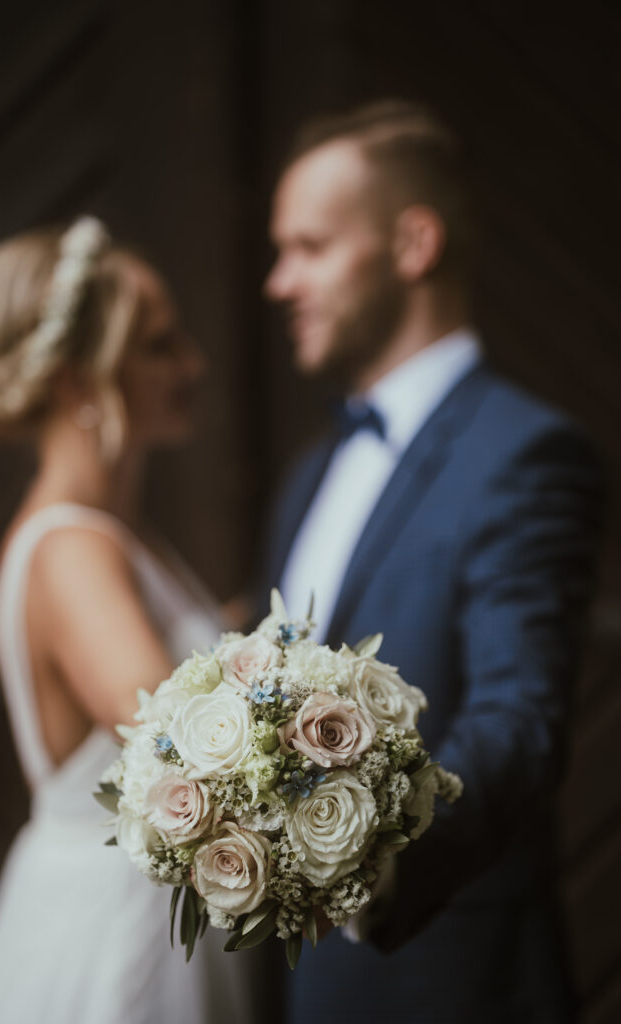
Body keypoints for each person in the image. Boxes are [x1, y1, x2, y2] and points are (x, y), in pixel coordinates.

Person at [262, 101, 603, 1023]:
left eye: (310, 247)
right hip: (308, 986)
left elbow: (519, 717)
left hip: (448, 976)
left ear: (413, 244)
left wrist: (371, 860)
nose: (278, 281)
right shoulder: (309, 474)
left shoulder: (526, 453)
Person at [0, 217, 262, 1024]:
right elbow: (177, 748)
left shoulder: (110, 535)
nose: (192, 363)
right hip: (116, 942)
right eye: (160, 345)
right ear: (76, 382)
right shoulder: (72, 550)